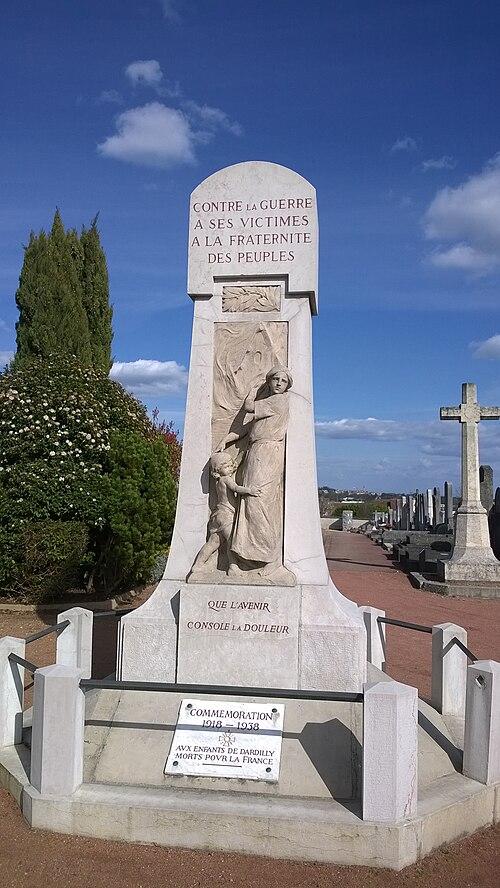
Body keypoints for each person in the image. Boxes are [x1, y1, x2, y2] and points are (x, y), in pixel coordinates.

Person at [215, 365, 294, 583]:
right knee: (250, 504)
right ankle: (247, 556)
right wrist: (225, 440)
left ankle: (269, 557)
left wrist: (253, 389)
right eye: (275, 379)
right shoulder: (269, 406)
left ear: (287, 386)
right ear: (270, 381)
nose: (279, 383)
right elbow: (247, 429)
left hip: (267, 453)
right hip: (257, 452)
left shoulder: (279, 400)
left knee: (259, 503)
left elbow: (249, 407)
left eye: (283, 380)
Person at [189, 450, 260, 577]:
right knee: (232, 542)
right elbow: (237, 489)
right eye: (225, 466)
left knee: (213, 543)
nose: (229, 468)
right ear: (218, 469)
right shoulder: (226, 479)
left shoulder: (218, 481)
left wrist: (242, 455)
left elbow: (235, 465)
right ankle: (233, 567)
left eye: (229, 466)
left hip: (217, 516)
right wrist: (250, 490)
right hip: (226, 515)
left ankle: (197, 565)